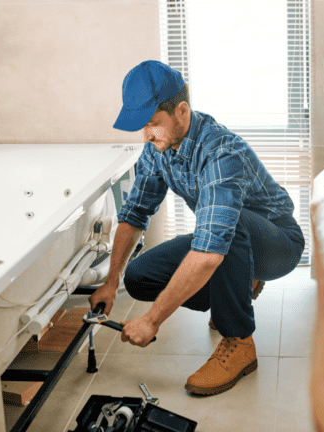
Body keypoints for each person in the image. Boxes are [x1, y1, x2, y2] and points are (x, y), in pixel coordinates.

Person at [89, 60, 305, 396]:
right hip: (228, 239)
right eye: (142, 127)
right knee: (139, 276)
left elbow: (208, 250)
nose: (146, 135)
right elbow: (134, 214)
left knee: (222, 236)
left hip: (278, 243)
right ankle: (236, 286)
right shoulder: (157, 149)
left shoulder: (221, 152)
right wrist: (111, 280)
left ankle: (239, 341)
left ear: (182, 111)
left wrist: (151, 321)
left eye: (152, 124)